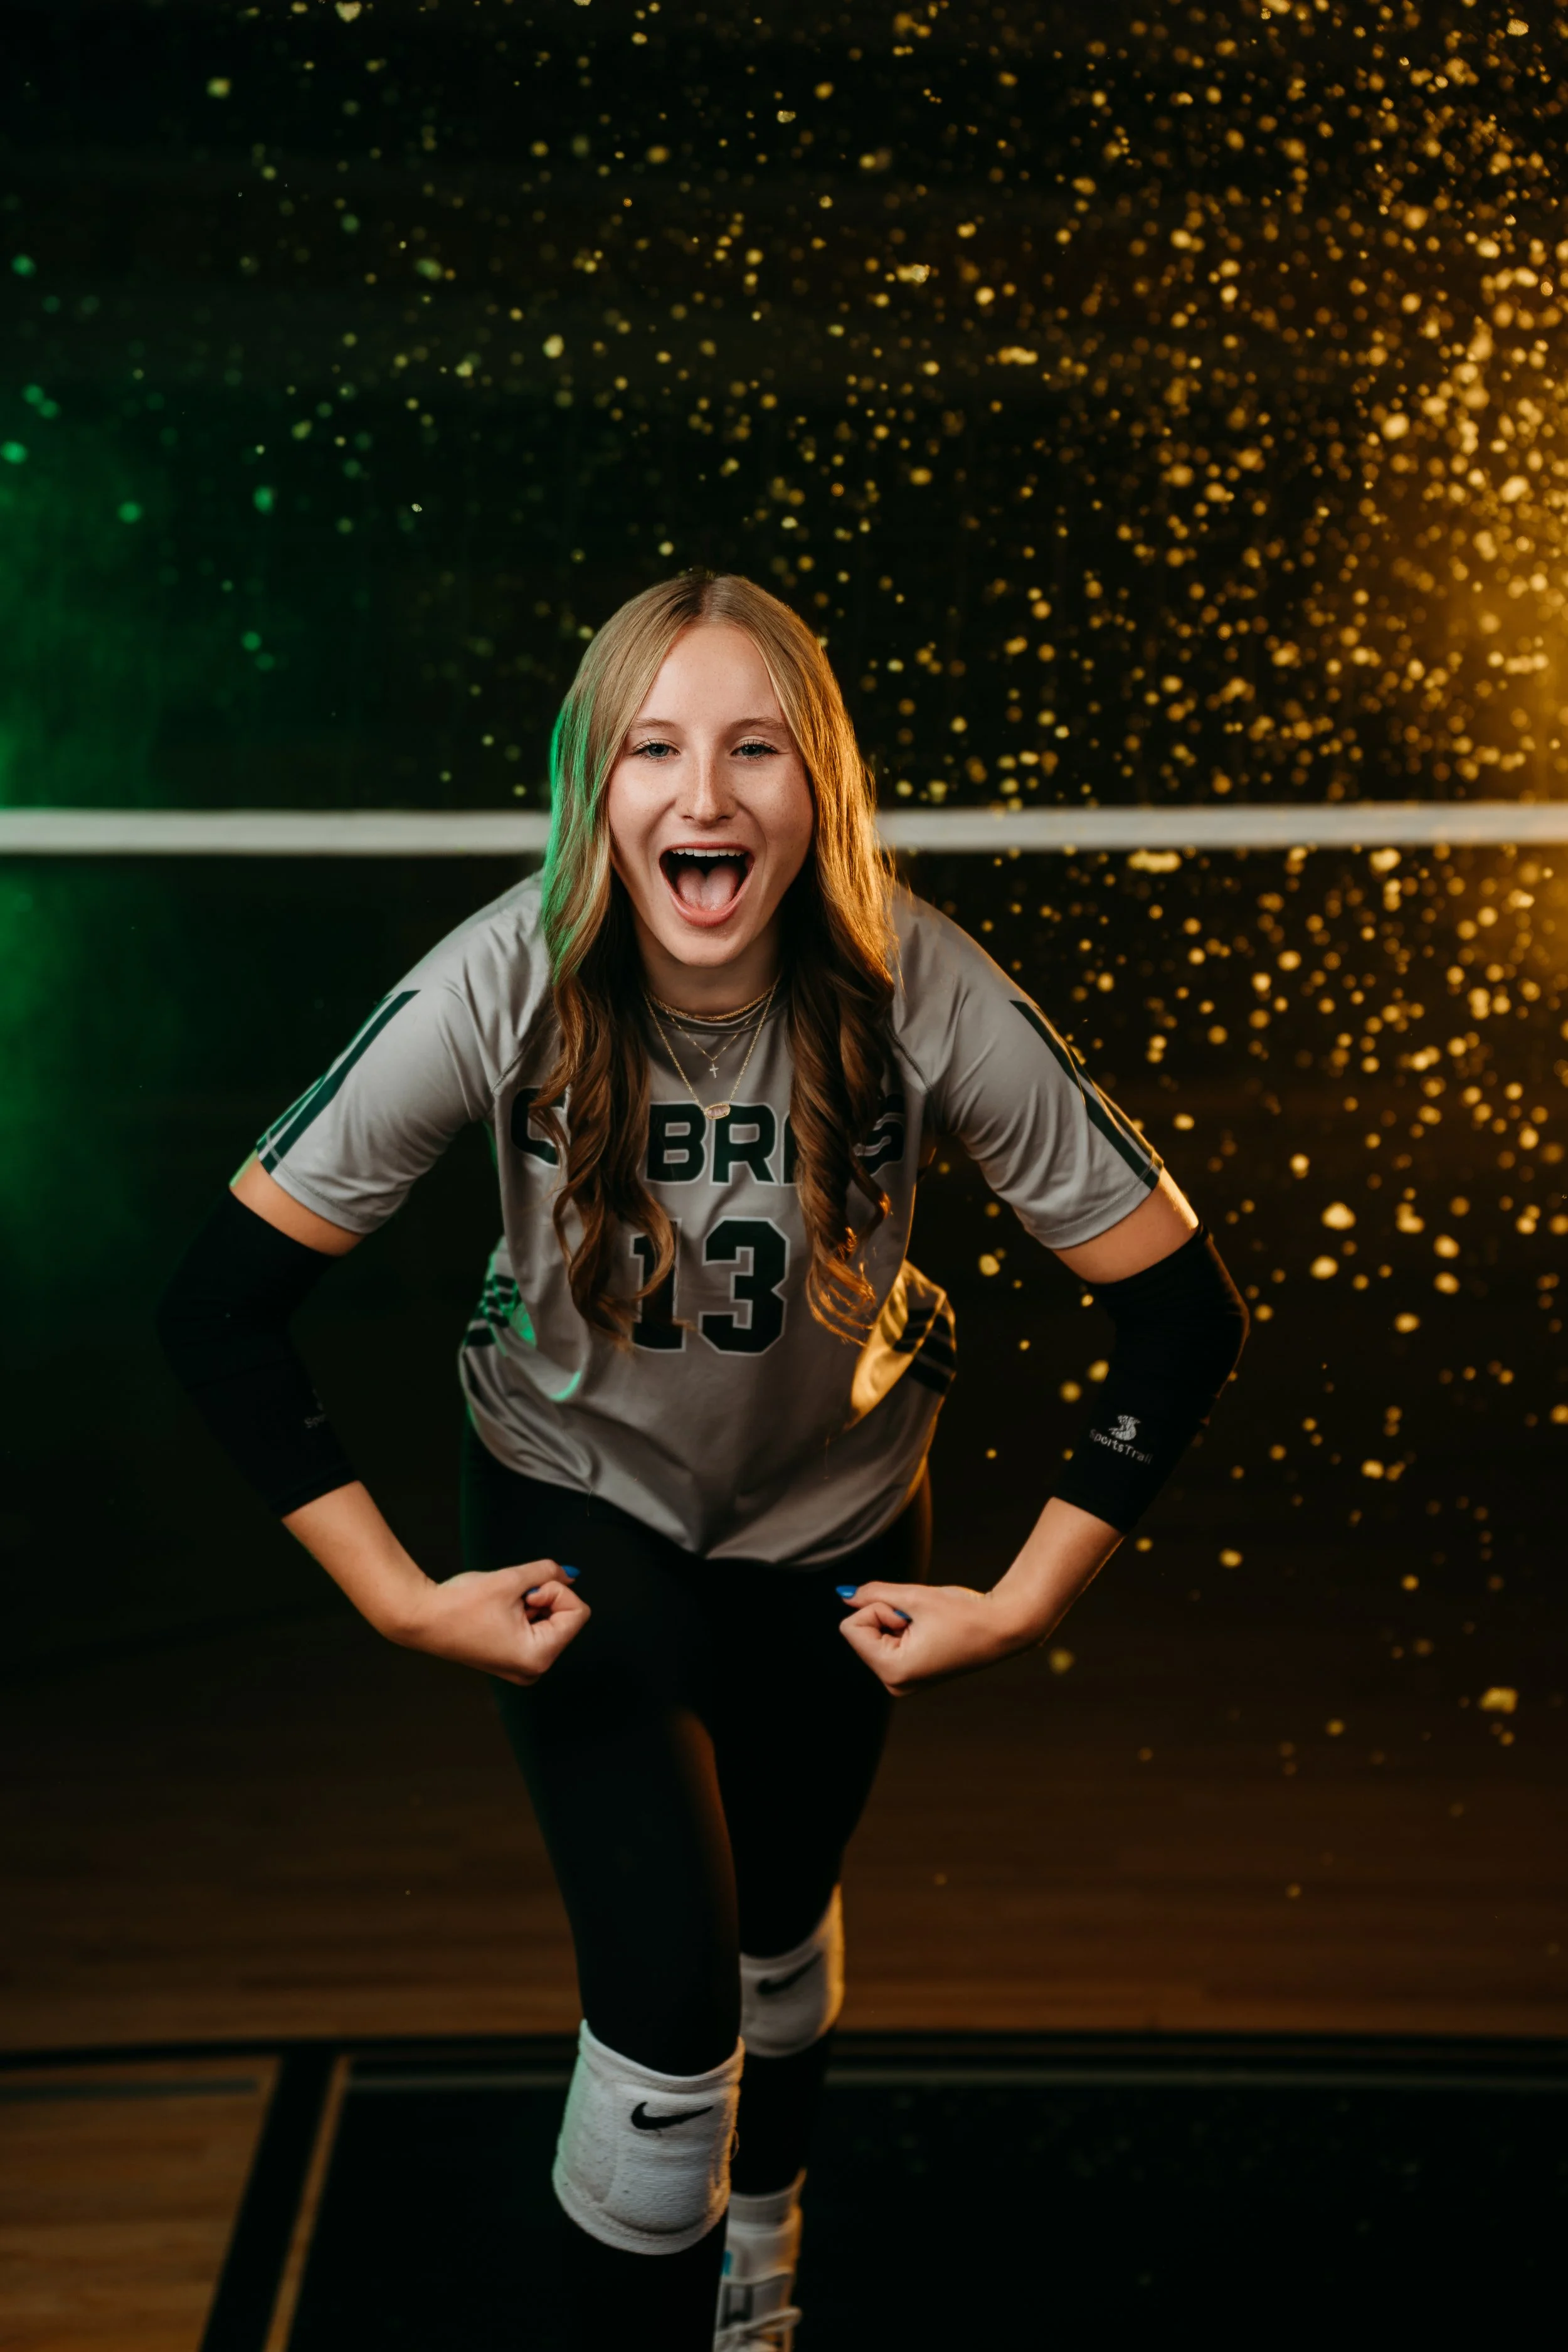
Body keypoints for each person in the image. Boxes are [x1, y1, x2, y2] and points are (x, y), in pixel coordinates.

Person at [158, 571, 1247, 2349]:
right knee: (667, 2005)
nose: (706, 795)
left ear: (820, 786)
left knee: (776, 1929)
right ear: (594, 790)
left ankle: (764, 2242)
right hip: (578, 1519)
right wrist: (395, 1599)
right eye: (653, 748)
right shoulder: (495, 981)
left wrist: (1030, 1597)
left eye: (755, 746)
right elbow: (221, 1304)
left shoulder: (921, 985)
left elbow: (1185, 1313)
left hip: (833, 1523)